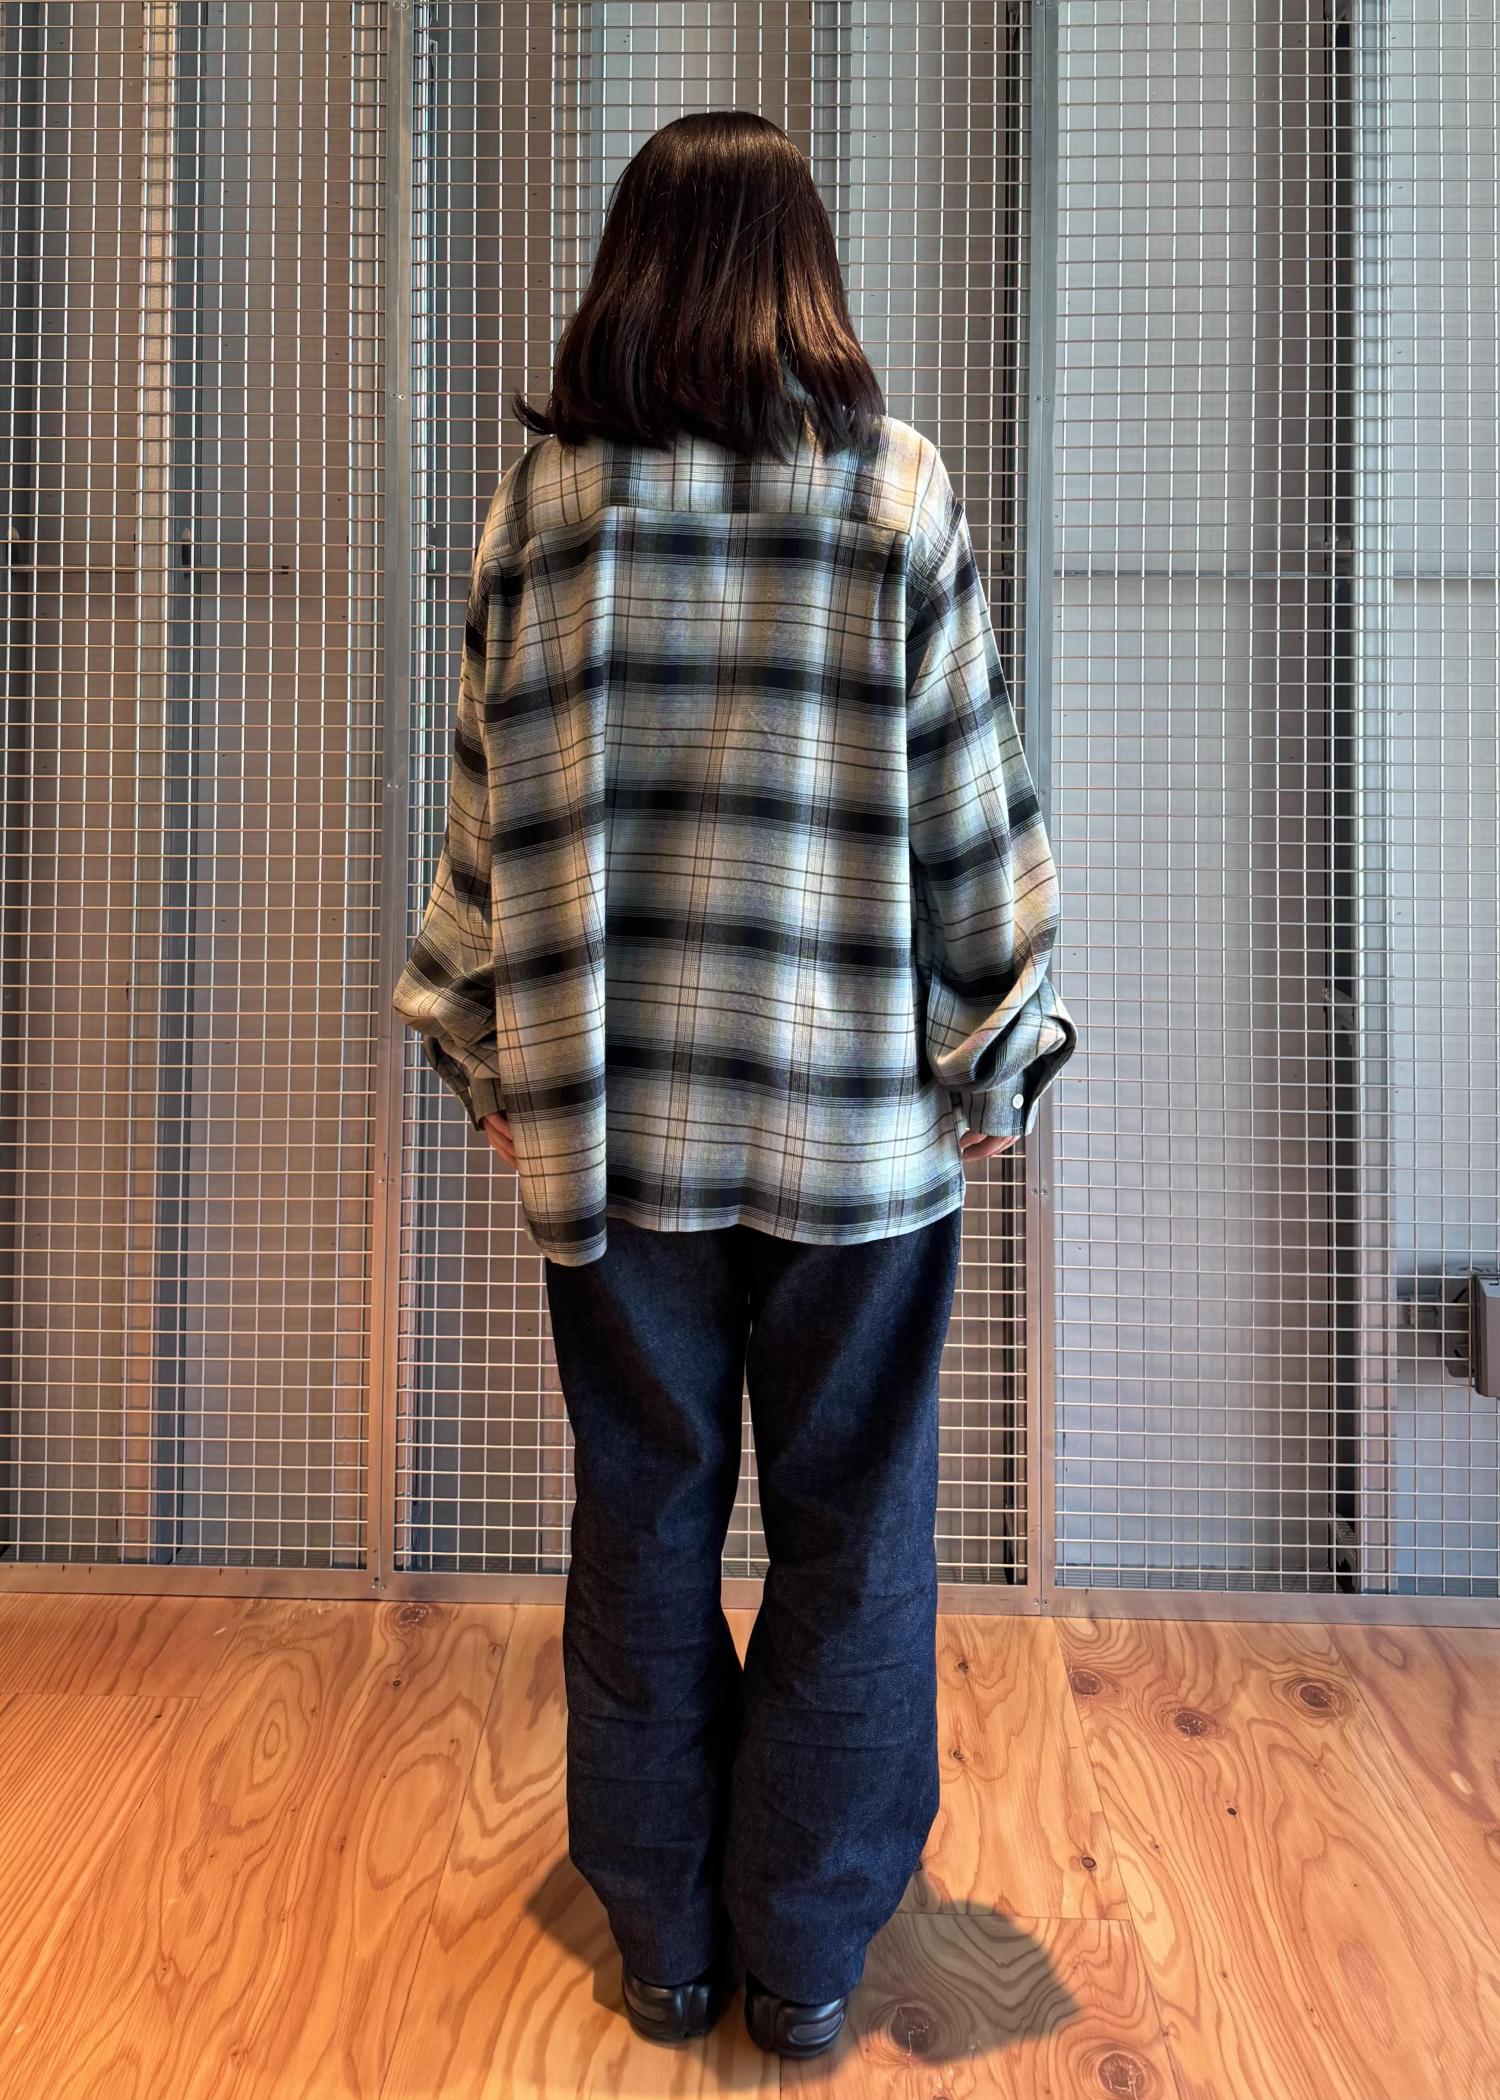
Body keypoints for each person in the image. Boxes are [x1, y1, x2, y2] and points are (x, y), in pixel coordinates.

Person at [392, 109, 1077, 2062]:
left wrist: (486, 1048)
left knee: (644, 1514)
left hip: (620, 1141)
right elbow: (972, 816)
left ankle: (667, 1943)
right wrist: (996, 1060)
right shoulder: (892, 493)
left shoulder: (547, 508)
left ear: (627, 268)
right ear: (806, 272)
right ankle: (811, 1958)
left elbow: (487, 816)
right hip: (855, 1136)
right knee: (855, 1532)